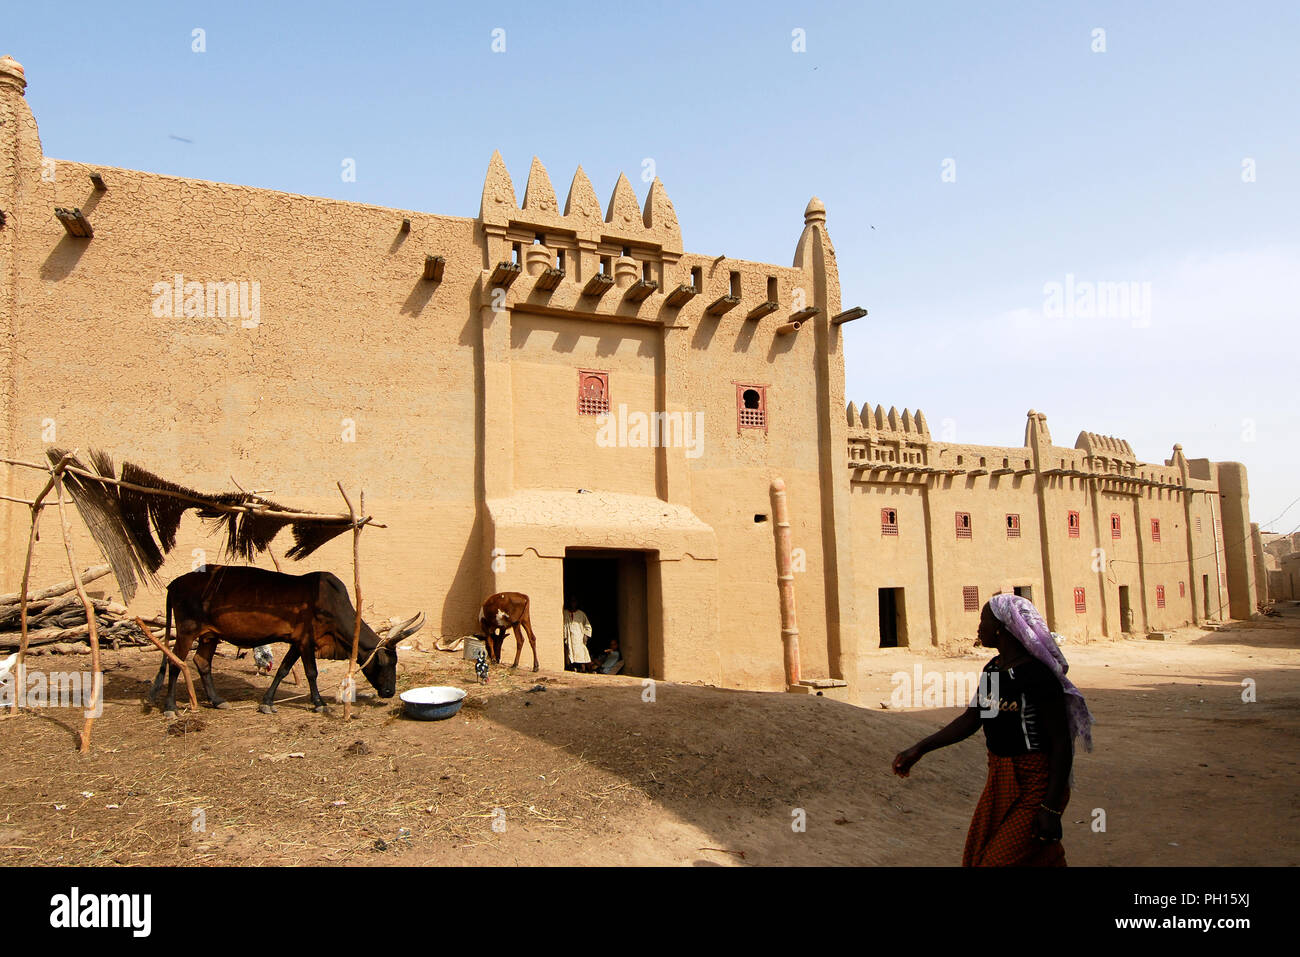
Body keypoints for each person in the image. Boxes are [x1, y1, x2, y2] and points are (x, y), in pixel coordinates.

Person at [892, 593, 1093, 866]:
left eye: (983, 620)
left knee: (995, 861)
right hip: (1000, 778)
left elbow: (1060, 743)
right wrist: (920, 748)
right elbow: (972, 720)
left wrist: (1050, 807)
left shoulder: (1037, 676)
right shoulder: (994, 671)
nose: (979, 627)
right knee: (1009, 854)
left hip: (1035, 784)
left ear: (1000, 628)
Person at [563, 597, 592, 673]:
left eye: (574, 602)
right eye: (571, 601)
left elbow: (587, 626)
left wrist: (586, 635)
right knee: (570, 652)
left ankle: (583, 669)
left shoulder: (581, 614)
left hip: (578, 636)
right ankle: (571, 667)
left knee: (581, 653)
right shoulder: (565, 613)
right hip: (569, 636)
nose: (573, 604)